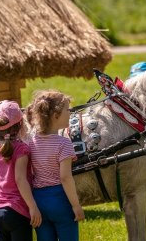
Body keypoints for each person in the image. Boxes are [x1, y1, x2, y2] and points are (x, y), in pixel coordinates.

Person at [25, 90, 85, 241]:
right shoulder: (63, 143)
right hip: (60, 199)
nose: (70, 113)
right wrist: (76, 205)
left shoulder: (32, 142)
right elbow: (65, 177)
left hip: (39, 200)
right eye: (67, 109)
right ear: (55, 115)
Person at [0, 100, 42, 241]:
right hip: (17, 212)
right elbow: (20, 180)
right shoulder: (21, 149)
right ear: (20, 125)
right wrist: (33, 207)